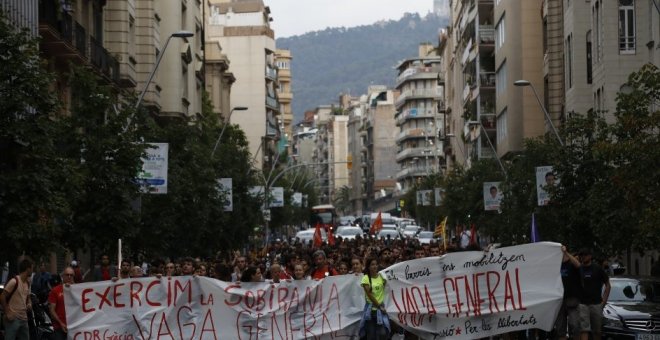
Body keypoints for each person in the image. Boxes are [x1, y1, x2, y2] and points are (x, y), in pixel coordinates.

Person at [577, 248, 610, 340]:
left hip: (596, 304)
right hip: (582, 304)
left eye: (585, 255)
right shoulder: (579, 269)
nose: (583, 257)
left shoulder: (598, 269)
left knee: (597, 331)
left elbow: (608, 285)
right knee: (584, 329)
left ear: (590, 256)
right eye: (581, 255)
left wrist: (604, 301)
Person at [0, 258, 34, 340]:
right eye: (32, 268)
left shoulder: (28, 283)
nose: (32, 271)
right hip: (13, 319)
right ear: (28, 269)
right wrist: (7, 311)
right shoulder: (14, 281)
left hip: (24, 319)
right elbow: (2, 296)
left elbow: (28, 297)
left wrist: (29, 304)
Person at [555, 246, 582, 340]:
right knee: (560, 328)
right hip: (559, 300)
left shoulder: (572, 264)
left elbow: (578, 265)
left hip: (572, 299)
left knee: (575, 325)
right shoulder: (555, 265)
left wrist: (566, 252)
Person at [360, 257, 389, 339]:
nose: (375, 266)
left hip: (381, 310)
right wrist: (379, 306)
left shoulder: (382, 277)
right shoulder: (365, 278)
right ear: (368, 267)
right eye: (372, 264)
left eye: (376, 264)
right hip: (371, 311)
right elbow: (369, 294)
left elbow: (386, 289)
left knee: (383, 333)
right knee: (371, 335)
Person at [48, 266, 75, 340]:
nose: (69, 277)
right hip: (59, 327)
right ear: (63, 276)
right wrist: (61, 323)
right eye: (67, 275)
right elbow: (52, 310)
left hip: (74, 327)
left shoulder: (78, 290)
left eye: (71, 275)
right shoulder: (55, 290)